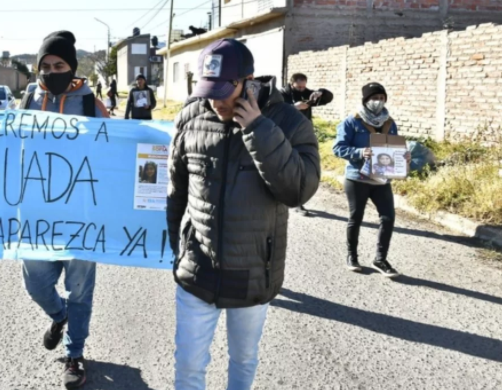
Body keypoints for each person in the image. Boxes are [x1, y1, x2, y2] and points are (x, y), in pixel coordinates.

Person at [167, 39, 320, 390]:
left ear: (249, 82)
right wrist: (176, 248)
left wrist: (258, 129)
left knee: (244, 359)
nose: (216, 101)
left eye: (225, 90)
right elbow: (176, 191)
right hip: (197, 269)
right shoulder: (192, 116)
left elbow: (298, 190)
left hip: (252, 271)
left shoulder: (287, 121)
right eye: (208, 91)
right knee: (188, 365)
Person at [18, 31, 108, 389]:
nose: (52, 70)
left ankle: (75, 353)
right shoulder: (27, 98)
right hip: (35, 213)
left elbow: (114, 155)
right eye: (46, 65)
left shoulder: (90, 104)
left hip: (81, 215)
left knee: (80, 289)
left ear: (72, 67)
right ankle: (59, 315)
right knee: (37, 284)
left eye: (60, 65)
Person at [332, 82, 410, 278]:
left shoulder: (390, 123)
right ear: (365, 100)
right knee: (355, 218)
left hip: (381, 179)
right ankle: (352, 256)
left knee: (388, 218)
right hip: (357, 178)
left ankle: (380, 259)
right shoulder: (351, 122)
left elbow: (393, 148)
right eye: (374, 98)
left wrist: (404, 157)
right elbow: (338, 148)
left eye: (382, 98)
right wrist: (359, 152)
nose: (378, 102)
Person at [281, 73, 334, 217]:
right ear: (291, 84)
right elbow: (275, 111)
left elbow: (329, 98)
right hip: (285, 135)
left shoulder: (307, 93)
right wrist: (293, 107)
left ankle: (297, 202)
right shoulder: (281, 95)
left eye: (304, 86)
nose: (302, 89)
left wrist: (321, 92)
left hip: (303, 135)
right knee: (285, 168)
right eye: (299, 87)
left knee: (301, 168)